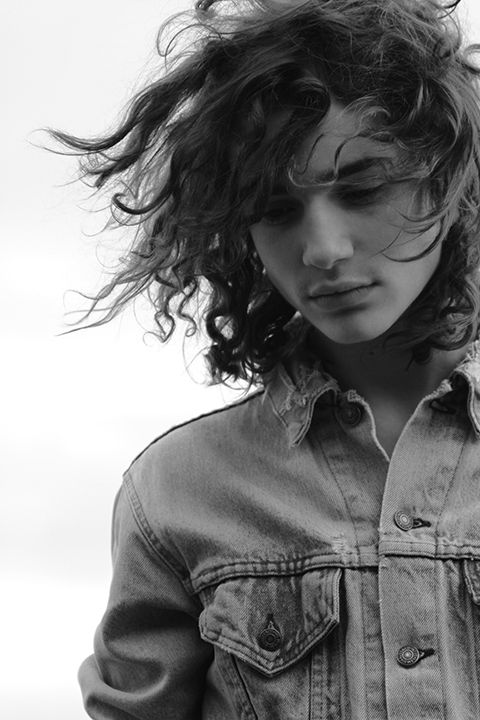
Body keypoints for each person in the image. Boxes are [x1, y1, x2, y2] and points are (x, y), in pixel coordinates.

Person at [52, 0, 480, 717]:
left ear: (447, 181)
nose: (323, 249)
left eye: (363, 188)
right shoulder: (179, 490)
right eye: (277, 209)